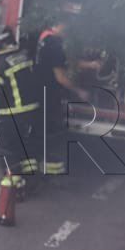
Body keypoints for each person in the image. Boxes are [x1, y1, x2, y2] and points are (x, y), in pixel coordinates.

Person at [0, 25, 40, 199]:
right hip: (32, 110)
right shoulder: (24, 55)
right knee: (26, 147)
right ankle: (30, 181)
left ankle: (13, 187)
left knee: (9, 149)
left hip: (12, 113)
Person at [35, 15, 90, 179]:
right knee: (51, 130)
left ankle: (41, 163)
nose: (67, 32)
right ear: (60, 25)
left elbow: (64, 61)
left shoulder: (44, 37)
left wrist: (90, 65)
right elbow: (60, 77)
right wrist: (79, 91)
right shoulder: (54, 45)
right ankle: (47, 166)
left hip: (39, 89)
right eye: (66, 28)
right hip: (49, 93)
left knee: (42, 127)